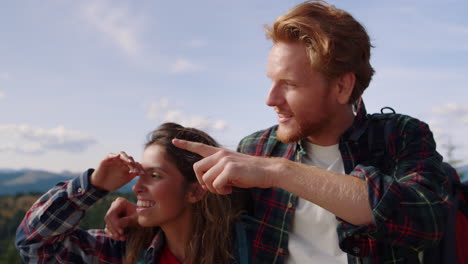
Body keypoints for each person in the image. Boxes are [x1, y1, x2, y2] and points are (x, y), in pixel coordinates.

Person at [170, 1, 450, 263]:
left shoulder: (399, 136)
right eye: (271, 81)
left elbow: (426, 221)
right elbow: (211, 227)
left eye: (289, 84)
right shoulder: (256, 148)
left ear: (342, 87)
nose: (270, 99)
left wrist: (278, 172)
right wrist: (137, 221)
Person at [16, 122, 245, 264]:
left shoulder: (244, 248)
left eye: (154, 175)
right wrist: (95, 184)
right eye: (140, 174)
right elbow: (34, 245)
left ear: (195, 190)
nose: (136, 187)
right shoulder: (125, 250)